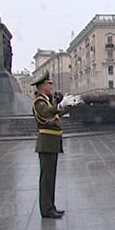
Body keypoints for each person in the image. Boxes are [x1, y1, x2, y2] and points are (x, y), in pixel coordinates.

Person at [32, 71, 77, 219]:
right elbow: (46, 113)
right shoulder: (39, 102)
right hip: (46, 143)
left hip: (51, 143)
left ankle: (50, 206)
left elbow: (56, 115)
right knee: (46, 179)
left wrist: (70, 105)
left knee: (51, 177)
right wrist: (59, 106)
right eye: (49, 84)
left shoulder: (47, 101)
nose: (51, 86)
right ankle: (46, 209)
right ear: (43, 85)